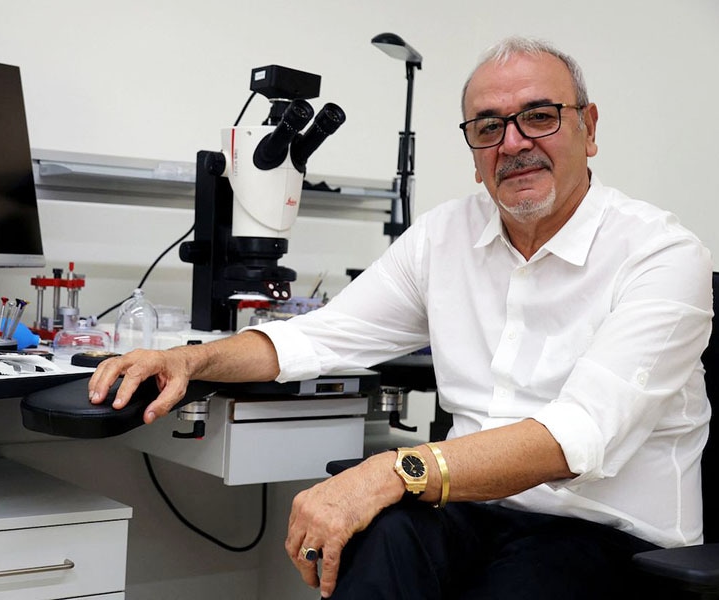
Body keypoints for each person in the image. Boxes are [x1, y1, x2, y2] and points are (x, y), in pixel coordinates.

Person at [88, 36, 713, 599]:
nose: (515, 143)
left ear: (589, 128)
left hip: (604, 534)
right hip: (470, 508)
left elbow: (578, 437)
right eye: (489, 127)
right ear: (472, 149)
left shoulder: (661, 255)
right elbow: (320, 336)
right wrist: (188, 360)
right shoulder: (445, 236)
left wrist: (393, 470)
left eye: (540, 117)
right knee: (381, 543)